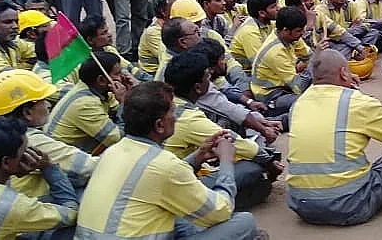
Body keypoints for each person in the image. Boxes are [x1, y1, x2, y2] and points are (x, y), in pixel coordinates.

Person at [76, 81, 264, 239]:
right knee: (244, 222)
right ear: (159, 125)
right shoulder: (165, 164)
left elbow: (154, 178)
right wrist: (226, 161)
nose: (175, 117)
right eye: (173, 112)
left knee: (183, 218)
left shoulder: (113, 151)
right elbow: (221, 211)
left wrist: (198, 156)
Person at [287, 49, 382, 225]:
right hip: (349, 205)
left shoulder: (298, 104)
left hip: (302, 205)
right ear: (343, 73)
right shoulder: (357, 102)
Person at [163, 51, 279, 210]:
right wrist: (269, 162)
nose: (210, 79)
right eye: (207, 77)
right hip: (178, 186)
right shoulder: (189, 118)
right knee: (253, 167)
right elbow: (235, 142)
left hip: (172, 174)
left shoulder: (167, 103)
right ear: (197, 87)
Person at [0, 69, 99, 200]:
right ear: (27, 112)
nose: (48, 105)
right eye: (43, 100)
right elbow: (90, 168)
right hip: (38, 204)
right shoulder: (29, 140)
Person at [45, 51, 127, 154]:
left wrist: (130, 93)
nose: (122, 77)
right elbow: (117, 138)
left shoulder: (98, 90)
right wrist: (123, 101)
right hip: (61, 157)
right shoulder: (85, 104)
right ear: (101, 80)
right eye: (117, 74)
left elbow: (115, 109)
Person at [249, 6, 312, 115]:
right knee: (310, 100)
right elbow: (298, 87)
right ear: (285, 30)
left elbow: (309, 56)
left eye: (303, 29)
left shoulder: (292, 36)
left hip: (286, 85)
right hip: (271, 95)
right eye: (299, 31)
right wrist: (315, 66)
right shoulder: (275, 52)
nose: (303, 33)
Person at [230, 0, 278, 71]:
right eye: (273, 7)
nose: (278, 8)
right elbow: (259, 64)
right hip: (245, 72)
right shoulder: (249, 32)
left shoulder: (269, 23)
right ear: (262, 13)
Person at [138, 0, 175, 74]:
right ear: (163, 12)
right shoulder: (153, 32)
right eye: (175, 7)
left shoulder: (170, 26)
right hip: (151, 75)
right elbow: (168, 60)